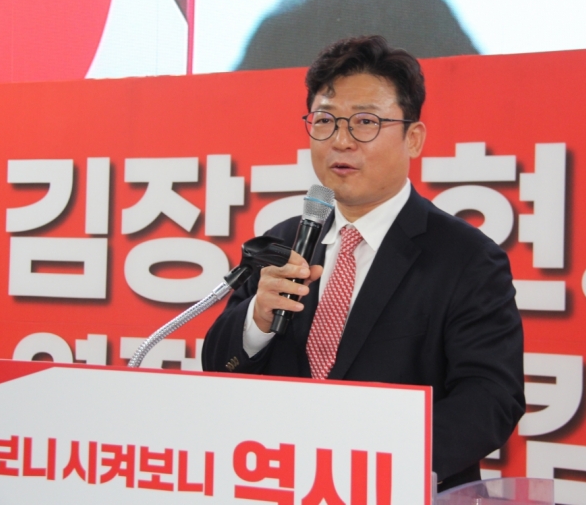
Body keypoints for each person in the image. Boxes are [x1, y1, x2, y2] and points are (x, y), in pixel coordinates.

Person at [203, 35, 524, 491]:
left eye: (365, 122)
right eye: (325, 121)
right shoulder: (283, 242)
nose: (341, 141)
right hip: (276, 484)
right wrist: (256, 319)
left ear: (413, 138)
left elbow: (491, 397)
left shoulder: (467, 259)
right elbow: (220, 368)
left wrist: (378, 465)